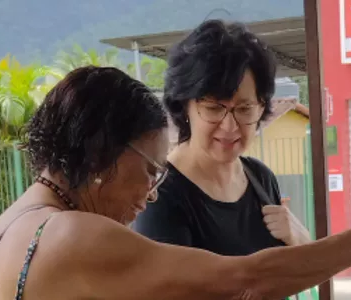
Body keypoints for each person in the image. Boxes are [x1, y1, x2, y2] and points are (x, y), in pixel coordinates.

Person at [0, 66, 351, 300]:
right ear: (104, 151)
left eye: (246, 109)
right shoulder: (72, 236)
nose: (151, 192)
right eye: (151, 170)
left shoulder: (11, 226)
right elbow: (247, 277)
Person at [132, 19, 309, 255]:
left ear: (262, 108)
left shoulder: (261, 178)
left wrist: (301, 239)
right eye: (214, 108)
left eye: (245, 109)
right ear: (185, 106)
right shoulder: (159, 196)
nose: (229, 126)